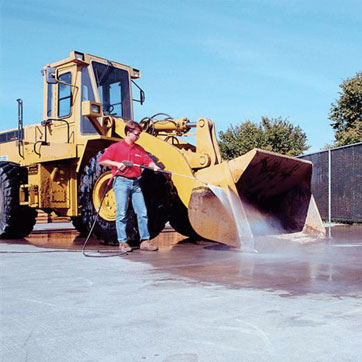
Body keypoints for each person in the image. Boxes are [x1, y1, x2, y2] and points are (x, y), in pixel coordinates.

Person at [98, 121, 161, 252]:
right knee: (121, 213)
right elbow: (102, 160)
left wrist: (153, 166)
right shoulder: (116, 147)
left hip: (135, 183)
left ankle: (145, 241)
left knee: (142, 212)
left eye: (139, 134)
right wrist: (117, 163)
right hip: (121, 182)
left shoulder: (139, 149)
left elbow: (147, 160)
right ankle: (123, 242)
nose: (138, 137)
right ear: (128, 133)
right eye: (136, 134)